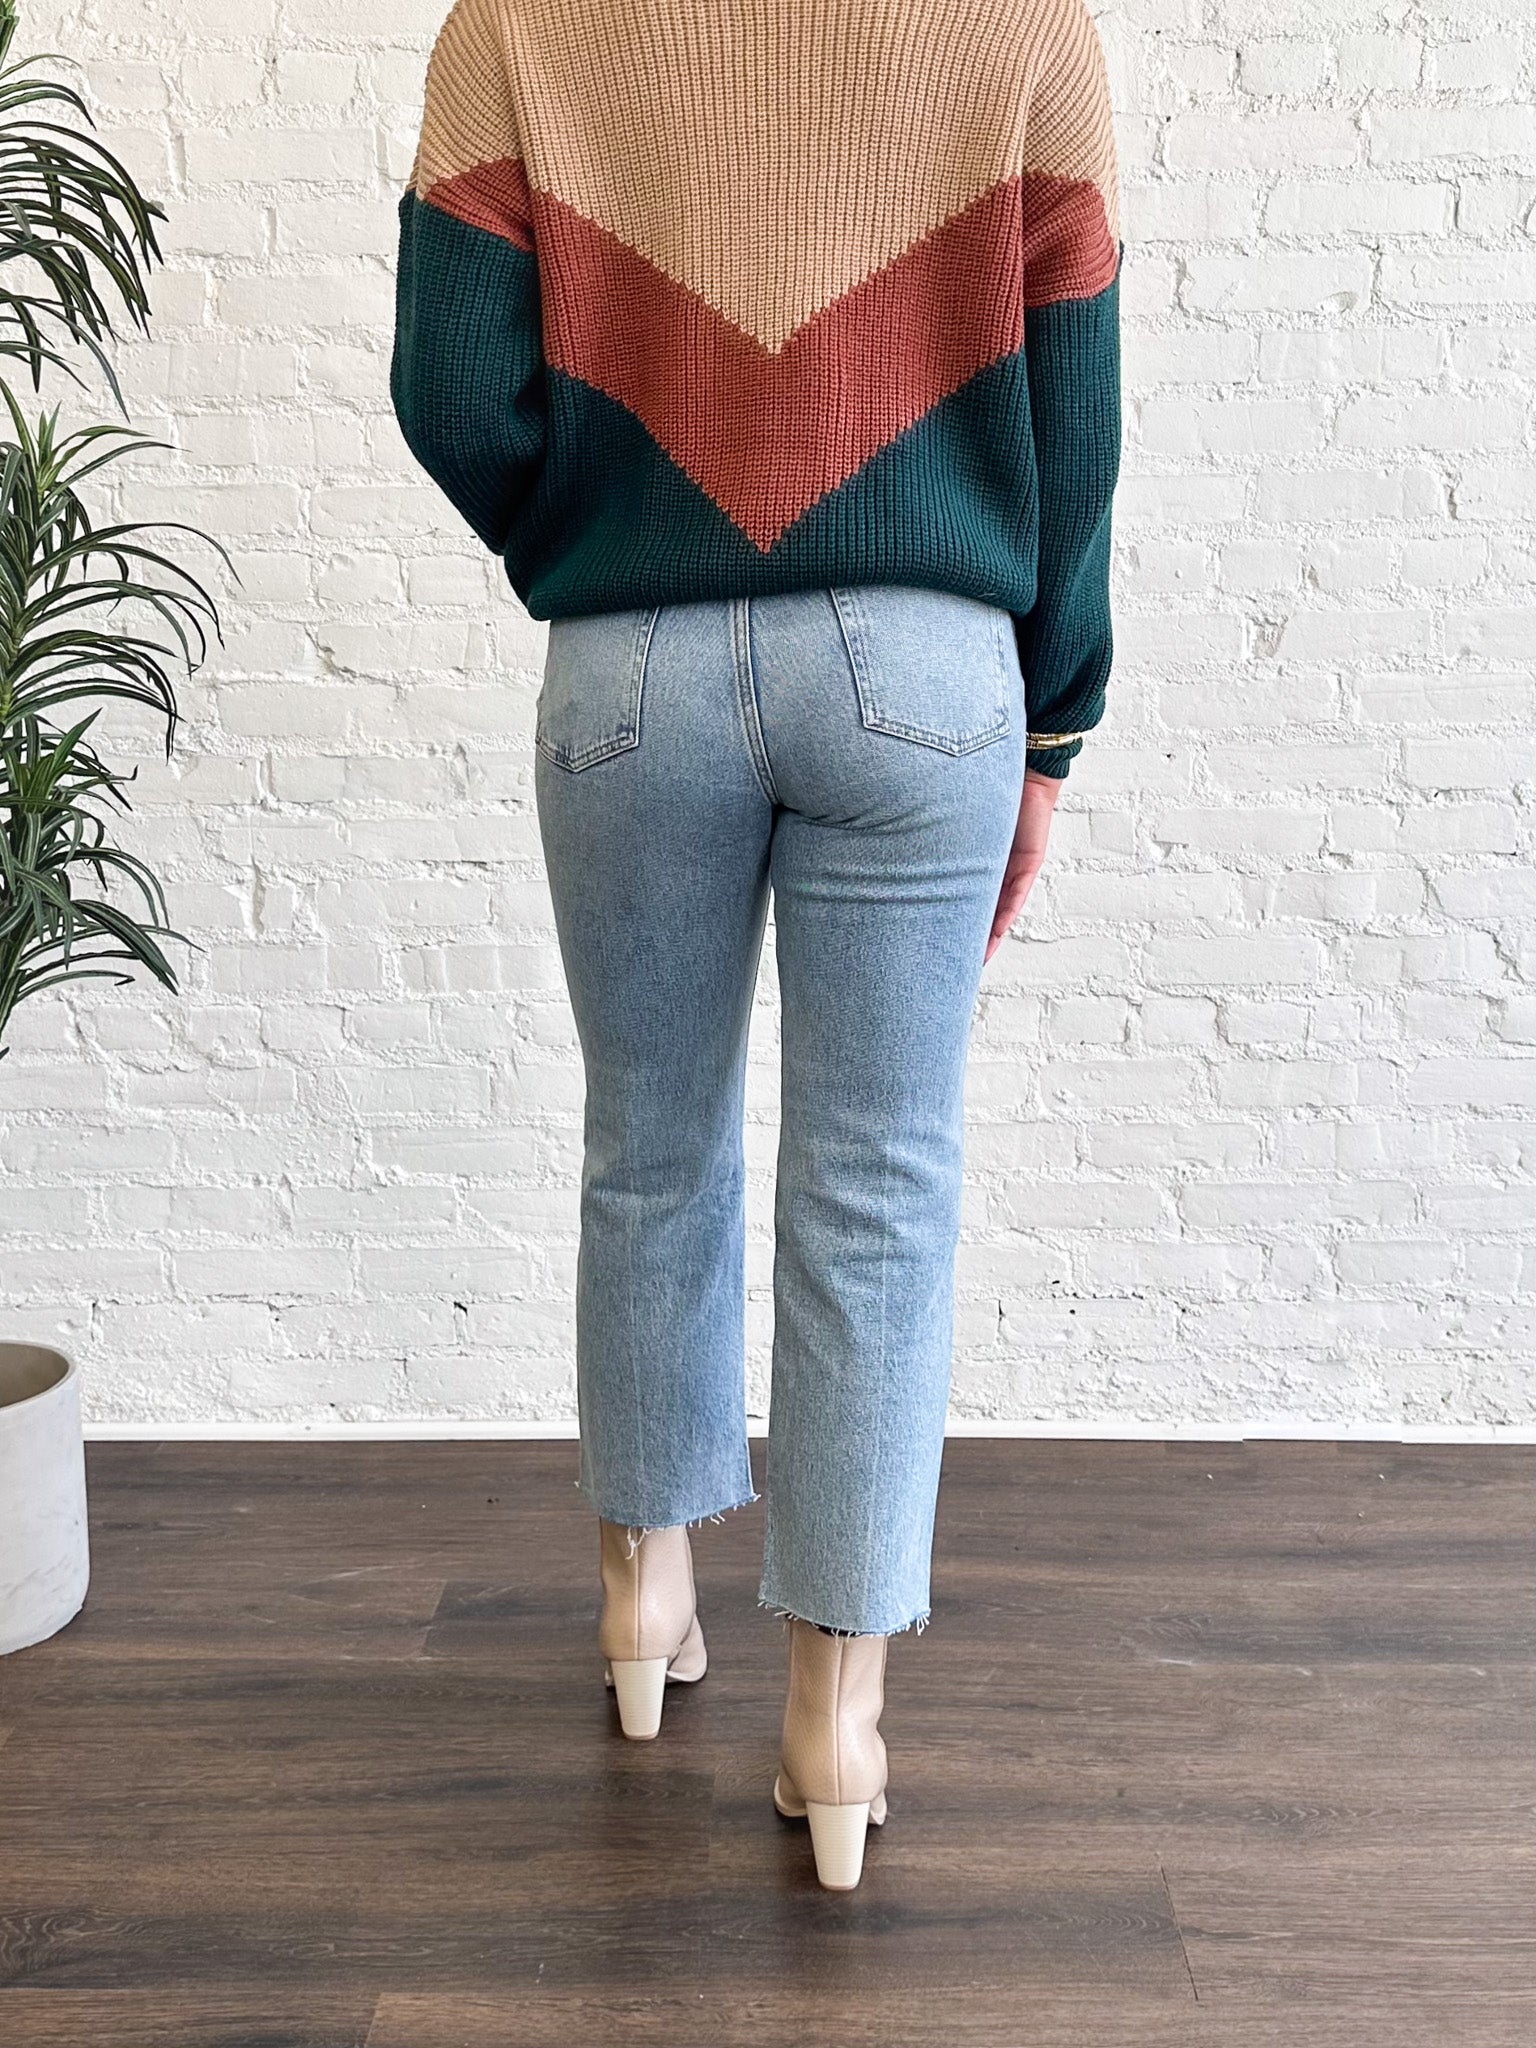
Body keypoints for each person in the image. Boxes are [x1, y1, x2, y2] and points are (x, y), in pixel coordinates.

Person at [392, 0, 1120, 1891]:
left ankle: (644, 1610)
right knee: (878, 1184)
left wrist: (605, 545)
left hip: (626, 667)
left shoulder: (513, 24)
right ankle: (836, 1725)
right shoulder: (1029, 27)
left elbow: (453, 390)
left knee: (648, 1143)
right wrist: (1050, 729)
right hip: (928, 671)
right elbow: (1078, 420)